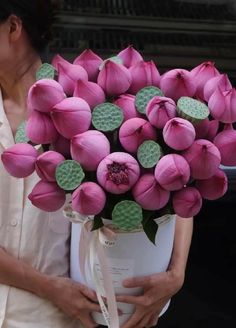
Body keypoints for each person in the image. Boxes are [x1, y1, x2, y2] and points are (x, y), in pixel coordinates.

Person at [0, 1, 193, 327]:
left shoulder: (91, 102)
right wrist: (48, 288)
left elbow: (173, 183)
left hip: (66, 318)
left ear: (13, 28)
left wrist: (176, 273)